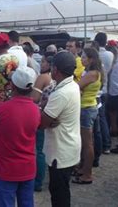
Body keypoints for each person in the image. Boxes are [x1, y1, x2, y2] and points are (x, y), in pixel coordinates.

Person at [0, 66, 40, 207]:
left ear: (13, 85)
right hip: (28, 167)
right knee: (27, 202)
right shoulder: (36, 110)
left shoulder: (2, 108)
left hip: (6, 168)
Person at [41, 51, 81, 207]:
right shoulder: (72, 85)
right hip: (68, 145)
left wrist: (43, 112)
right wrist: (45, 109)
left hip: (61, 149)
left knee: (59, 193)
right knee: (60, 189)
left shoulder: (62, 93)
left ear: (55, 69)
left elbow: (42, 122)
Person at [72, 48, 102, 185]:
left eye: (84, 57)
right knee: (86, 142)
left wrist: (80, 87)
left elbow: (77, 86)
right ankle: (84, 169)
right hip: (88, 106)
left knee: (87, 143)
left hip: (86, 108)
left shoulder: (91, 74)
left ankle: (87, 174)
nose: (81, 59)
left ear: (91, 59)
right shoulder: (94, 73)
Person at [31, 51, 57, 192]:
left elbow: (34, 98)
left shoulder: (43, 77)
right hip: (52, 114)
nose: (41, 64)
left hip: (41, 113)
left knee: (39, 150)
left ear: (49, 64)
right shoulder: (56, 79)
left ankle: (37, 181)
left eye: (43, 62)